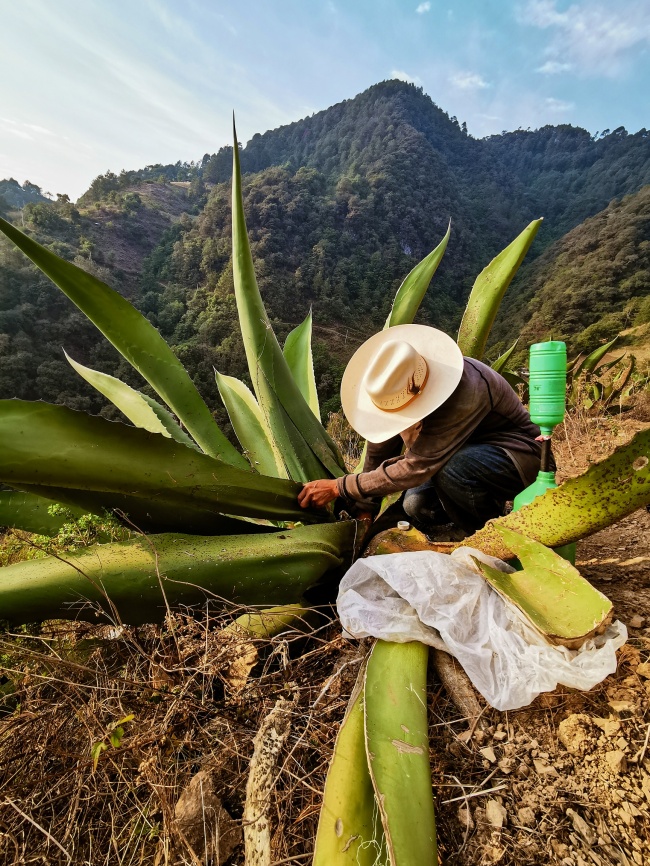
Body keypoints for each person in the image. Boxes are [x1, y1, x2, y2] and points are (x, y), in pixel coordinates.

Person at [297, 324, 543, 536]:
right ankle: (473, 507)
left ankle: (490, 533)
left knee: (453, 466)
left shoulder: (466, 389)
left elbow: (419, 466)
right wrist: (365, 508)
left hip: (518, 458)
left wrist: (337, 487)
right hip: (458, 456)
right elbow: (378, 450)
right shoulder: (397, 386)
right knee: (416, 505)